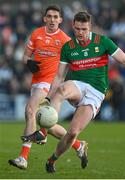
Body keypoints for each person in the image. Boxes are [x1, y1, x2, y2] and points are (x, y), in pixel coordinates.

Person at [25, 11, 125, 173]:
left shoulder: (103, 42)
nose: (80, 33)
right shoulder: (68, 47)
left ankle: (52, 160)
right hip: (78, 85)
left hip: (96, 92)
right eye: (77, 29)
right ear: (73, 26)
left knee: (72, 132)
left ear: (90, 28)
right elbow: (59, 77)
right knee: (62, 88)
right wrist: (49, 98)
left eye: (84, 29)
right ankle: (43, 132)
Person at [8, 6, 88, 170]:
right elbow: (25, 56)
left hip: (50, 83)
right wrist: (28, 62)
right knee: (49, 125)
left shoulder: (65, 40)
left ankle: (23, 157)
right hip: (36, 81)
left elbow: (77, 60)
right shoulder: (36, 34)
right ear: (44, 18)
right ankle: (78, 145)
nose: (52, 19)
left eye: (55, 17)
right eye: (49, 16)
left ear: (60, 20)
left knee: (30, 111)